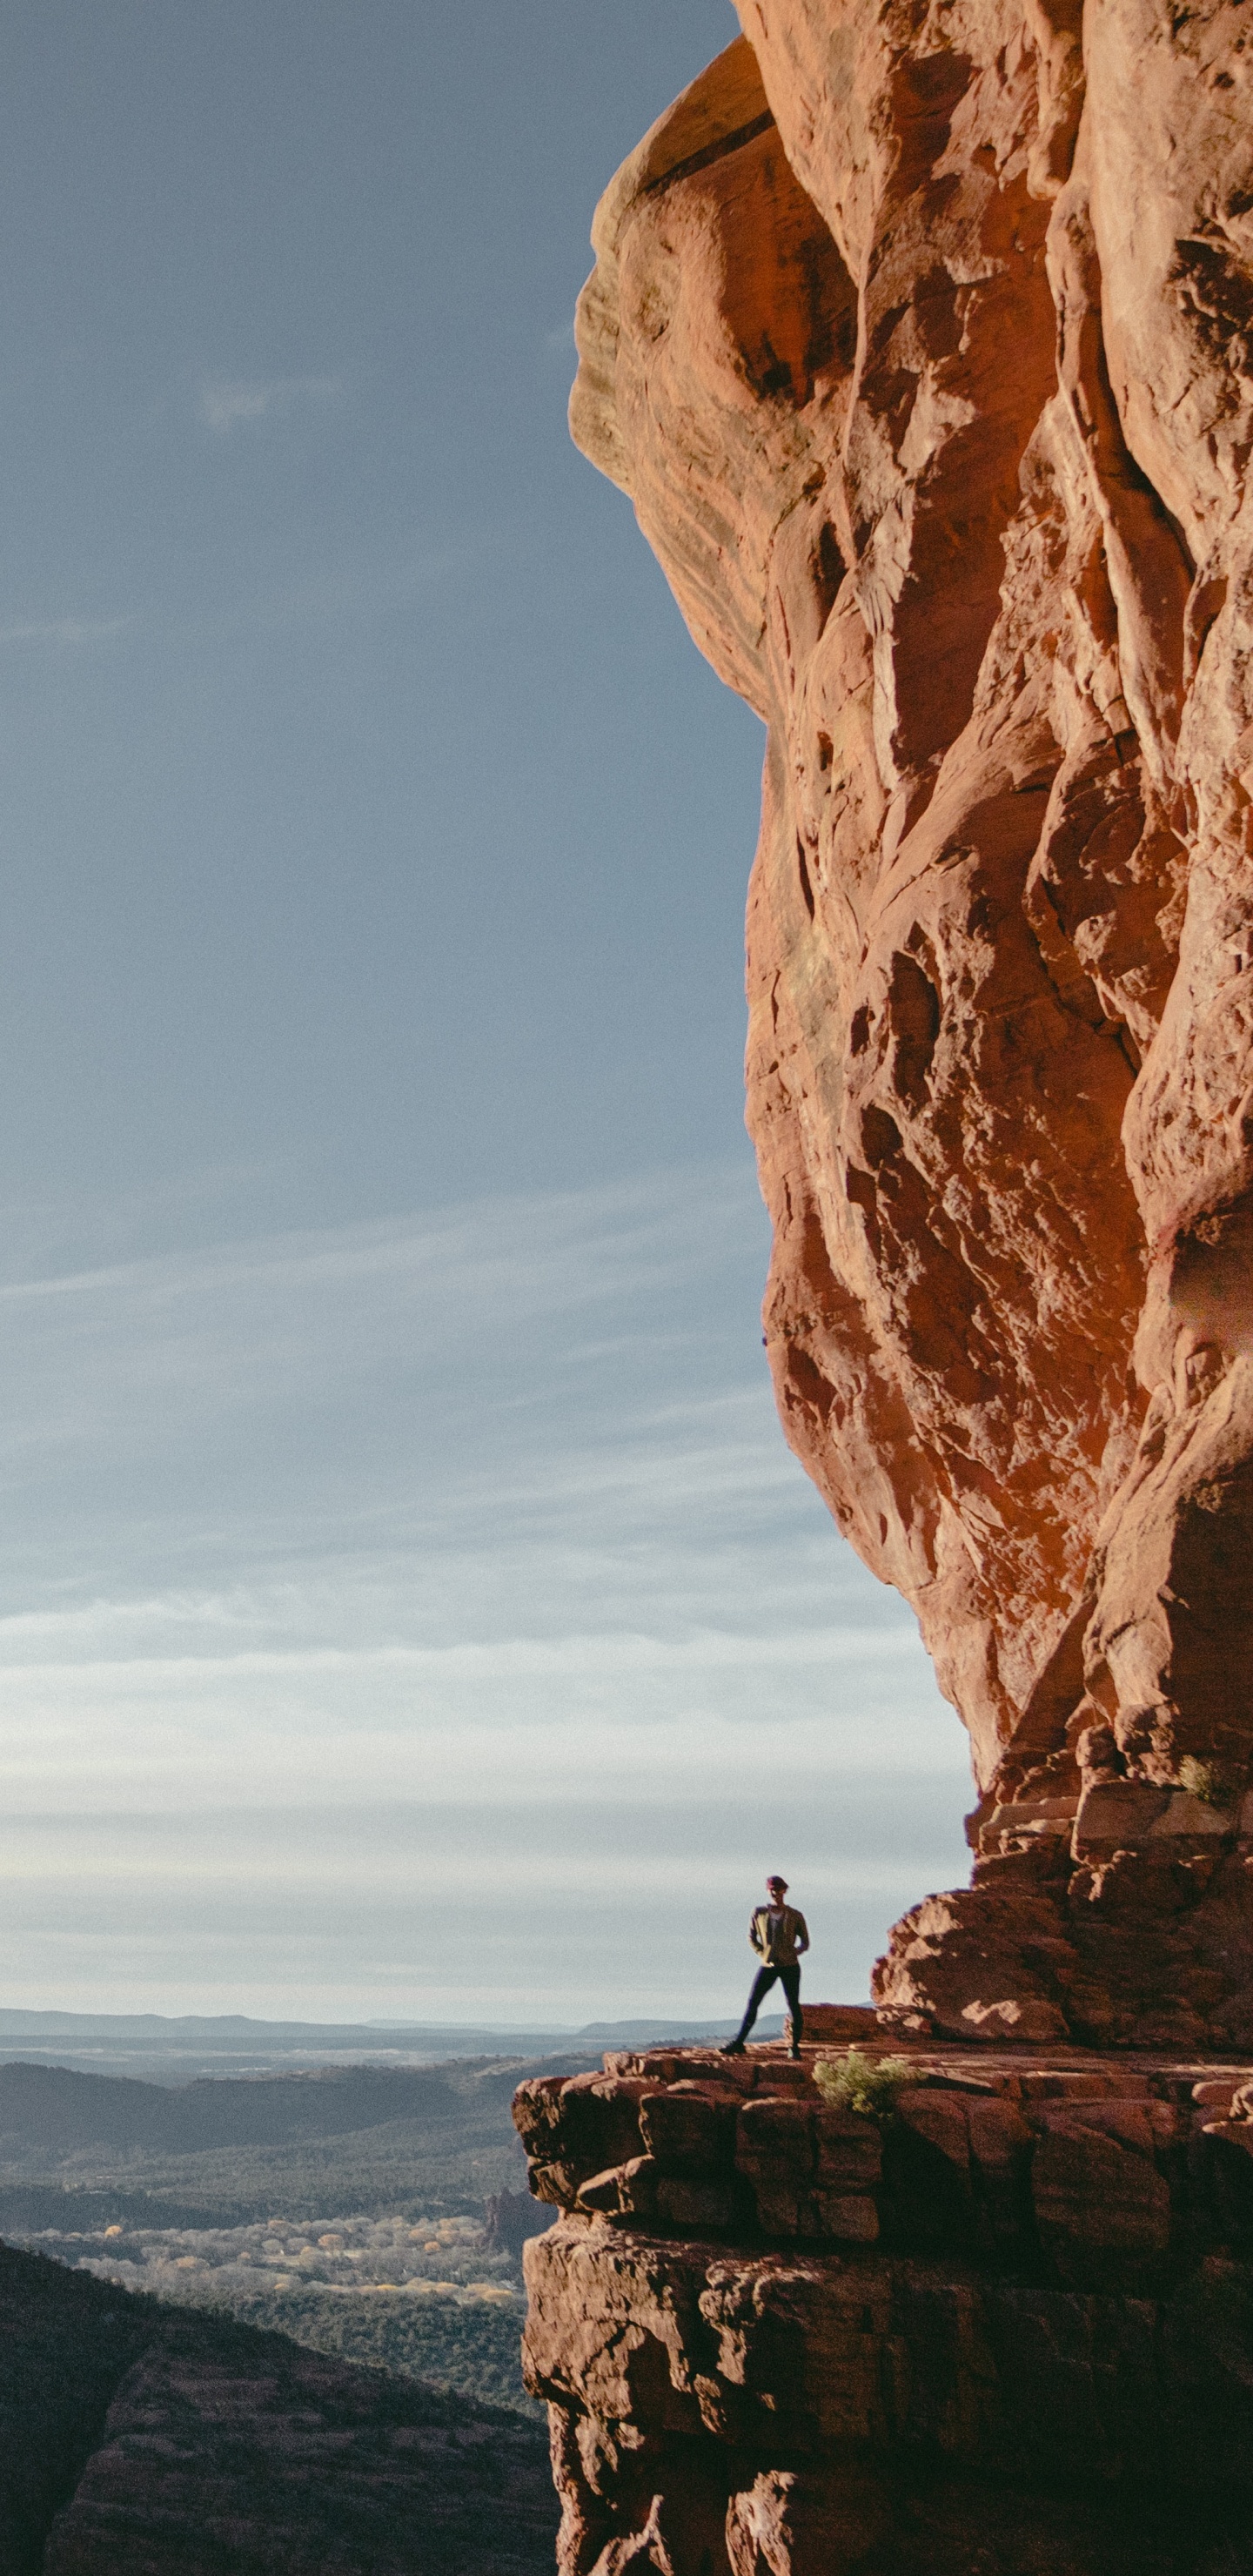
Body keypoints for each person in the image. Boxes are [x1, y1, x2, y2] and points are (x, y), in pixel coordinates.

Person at [720, 1875, 809, 2058]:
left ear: (785, 1890)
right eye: (773, 1889)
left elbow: (805, 1942)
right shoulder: (759, 1912)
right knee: (753, 2002)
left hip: (790, 1966)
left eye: (779, 1889)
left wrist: (794, 1953)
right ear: (768, 1891)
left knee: (793, 2005)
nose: (776, 1893)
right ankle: (739, 2043)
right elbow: (751, 1937)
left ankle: (794, 2047)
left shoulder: (795, 1915)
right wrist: (762, 1953)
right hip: (768, 1965)